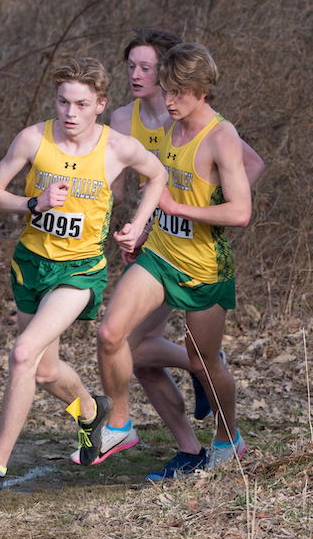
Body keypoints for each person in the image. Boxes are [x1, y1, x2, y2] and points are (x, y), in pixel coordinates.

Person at [0, 57, 168, 507]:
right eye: (63, 102)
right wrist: (33, 202)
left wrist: (137, 223)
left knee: (23, 355)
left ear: (100, 105)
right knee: (47, 370)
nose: (70, 113)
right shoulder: (34, 138)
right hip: (32, 265)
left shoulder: (118, 148)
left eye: (81, 104)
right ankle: (90, 411)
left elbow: (159, 175)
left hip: (80, 271)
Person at [73, 32, 263, 467]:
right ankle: (119, 425)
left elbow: (240, 213)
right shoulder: (173, 125)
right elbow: (157, 189)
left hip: (204, 265)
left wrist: (180, 208)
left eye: (177, 92)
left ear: (200, 92)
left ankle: (227, 438)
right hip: (160, 254)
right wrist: (142, 228)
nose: (169, 99)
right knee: (111, 335)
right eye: (167, 90)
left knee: (203, 362)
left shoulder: (222, 137)